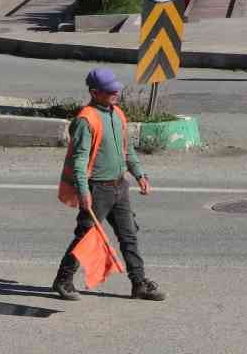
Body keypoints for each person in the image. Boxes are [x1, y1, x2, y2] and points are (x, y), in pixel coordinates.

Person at [53, 67, 167, 301]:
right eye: (109, 90)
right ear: (95, 92)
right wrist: (84, 192)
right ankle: (63, 280)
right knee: (85, 236)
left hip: (119, 186)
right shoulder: (86, 120)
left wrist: (139, 175)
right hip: (98, 189)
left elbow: (128, 150)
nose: (116, 92)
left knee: (129, 236)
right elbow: (79, 160)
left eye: (116, 88)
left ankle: (139, 283)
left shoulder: (117, 114)